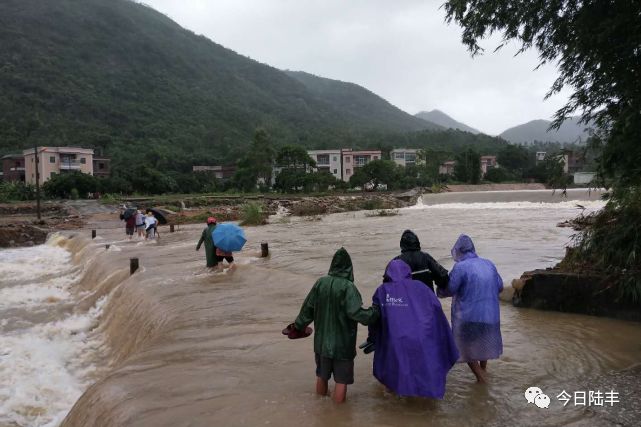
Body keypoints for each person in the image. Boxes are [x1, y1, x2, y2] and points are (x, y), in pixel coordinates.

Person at [289, 247, 379, 403]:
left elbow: (307, 309)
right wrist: (375, 313)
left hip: (322, 343)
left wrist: (298, 326)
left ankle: (321, 410)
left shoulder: (320, 283)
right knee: (341, 381)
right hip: (342, 346)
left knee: (321, 376)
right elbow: (356, 313)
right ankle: (338, 417)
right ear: (349, 267)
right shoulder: (348, 287)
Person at [366, 259, 459, 398]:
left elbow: (375, 319)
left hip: (396, 342)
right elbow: (436, 312)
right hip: (423, 338)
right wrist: (442, 337)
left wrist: (372, 339)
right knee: (426, 370)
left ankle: (395, 405)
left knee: (391, 375)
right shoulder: (421, 287)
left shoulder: (382, 291)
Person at [438, 234, 503, 383]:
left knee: (466, 348)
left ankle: (482, 377)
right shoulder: (489, 264)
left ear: (458, 250)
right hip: (490, 315)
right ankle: (484, 371)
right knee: (483, 343)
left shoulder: (460, 267)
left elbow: (450, 289)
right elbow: (499, 286)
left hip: (468, 316)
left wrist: (439, 291)